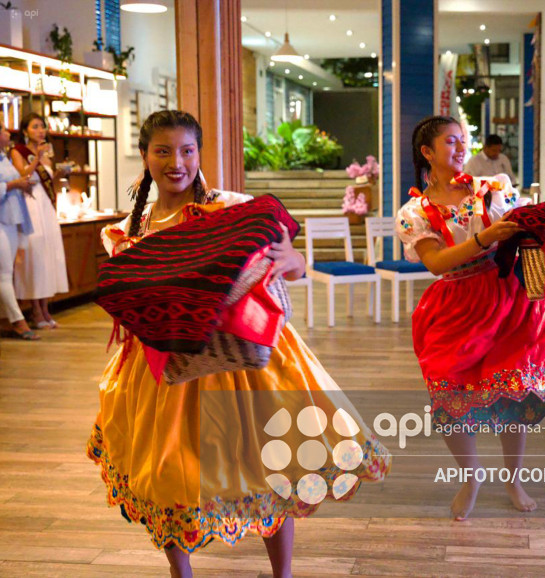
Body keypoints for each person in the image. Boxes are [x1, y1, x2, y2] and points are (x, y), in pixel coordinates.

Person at [87, 111, 390, 578]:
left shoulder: (230, 206)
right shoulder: (130, 230)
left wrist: (293, 258)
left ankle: (282, 574)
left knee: (269, 468)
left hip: (245, 359)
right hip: (164, 370)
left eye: (187, 150)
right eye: (163, 151)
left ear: (199, 154)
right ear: (145, 157)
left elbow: (290, 262)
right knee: (170, 476)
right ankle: (181, 572)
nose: (176, 162)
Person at [396, 116, 545, 520]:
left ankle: (513, 478)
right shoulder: (413, 211)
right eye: (450, 141)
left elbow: (530, 233)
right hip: (456, 305)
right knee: (448, 399)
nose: (461, 148)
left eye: (464, 141)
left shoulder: (494, 189)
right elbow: (435, 262)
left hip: (509, 298)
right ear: (428, 152)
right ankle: (472, 474)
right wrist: (485, 237)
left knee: (512, 394)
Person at [10, 112, 68, 329]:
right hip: (30, 205)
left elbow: (47, 180)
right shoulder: (19, 152)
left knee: (47, 255)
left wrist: (59, 171)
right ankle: (34, 310)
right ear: (25, 131)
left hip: (46, 206)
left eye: (42, 127)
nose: (40, 130)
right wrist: (36, 158)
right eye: (35, 127)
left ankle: (45, 308)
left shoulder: (46, 153)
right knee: (33, 256)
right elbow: (23, 175)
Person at [0, 122, 37, 340]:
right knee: (3, 273)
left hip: (11, 218)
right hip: (2, 220)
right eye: (3, 130)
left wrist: (23, 185)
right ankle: (18, 320)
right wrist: (15, 184)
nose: (7, 133)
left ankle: (9, 318)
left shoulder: (4, 158)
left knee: (7, 272)